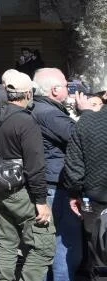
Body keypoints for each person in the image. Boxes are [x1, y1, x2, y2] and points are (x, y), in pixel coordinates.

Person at [0, 69, 55, 281]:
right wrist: (41, 201)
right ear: (28, 94)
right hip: (22, 191)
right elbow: (35, 165)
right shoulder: (26, 121)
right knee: (43, 246)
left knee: (6, 242)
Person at [32, 67, 91, 281]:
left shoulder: (36, 107)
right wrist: (86, 113)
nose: (70, 87)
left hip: (47, 181)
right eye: (66, 84)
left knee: (51, 243)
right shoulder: (49, 114)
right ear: (55, 90)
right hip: (57, 186)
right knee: (66, 243)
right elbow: (82, 136)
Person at [63, 100, 107, 275]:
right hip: (95, 199)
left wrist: (74, 193)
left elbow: (74, 168)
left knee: (99, 254)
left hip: (95, 201)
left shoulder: (87, 122)